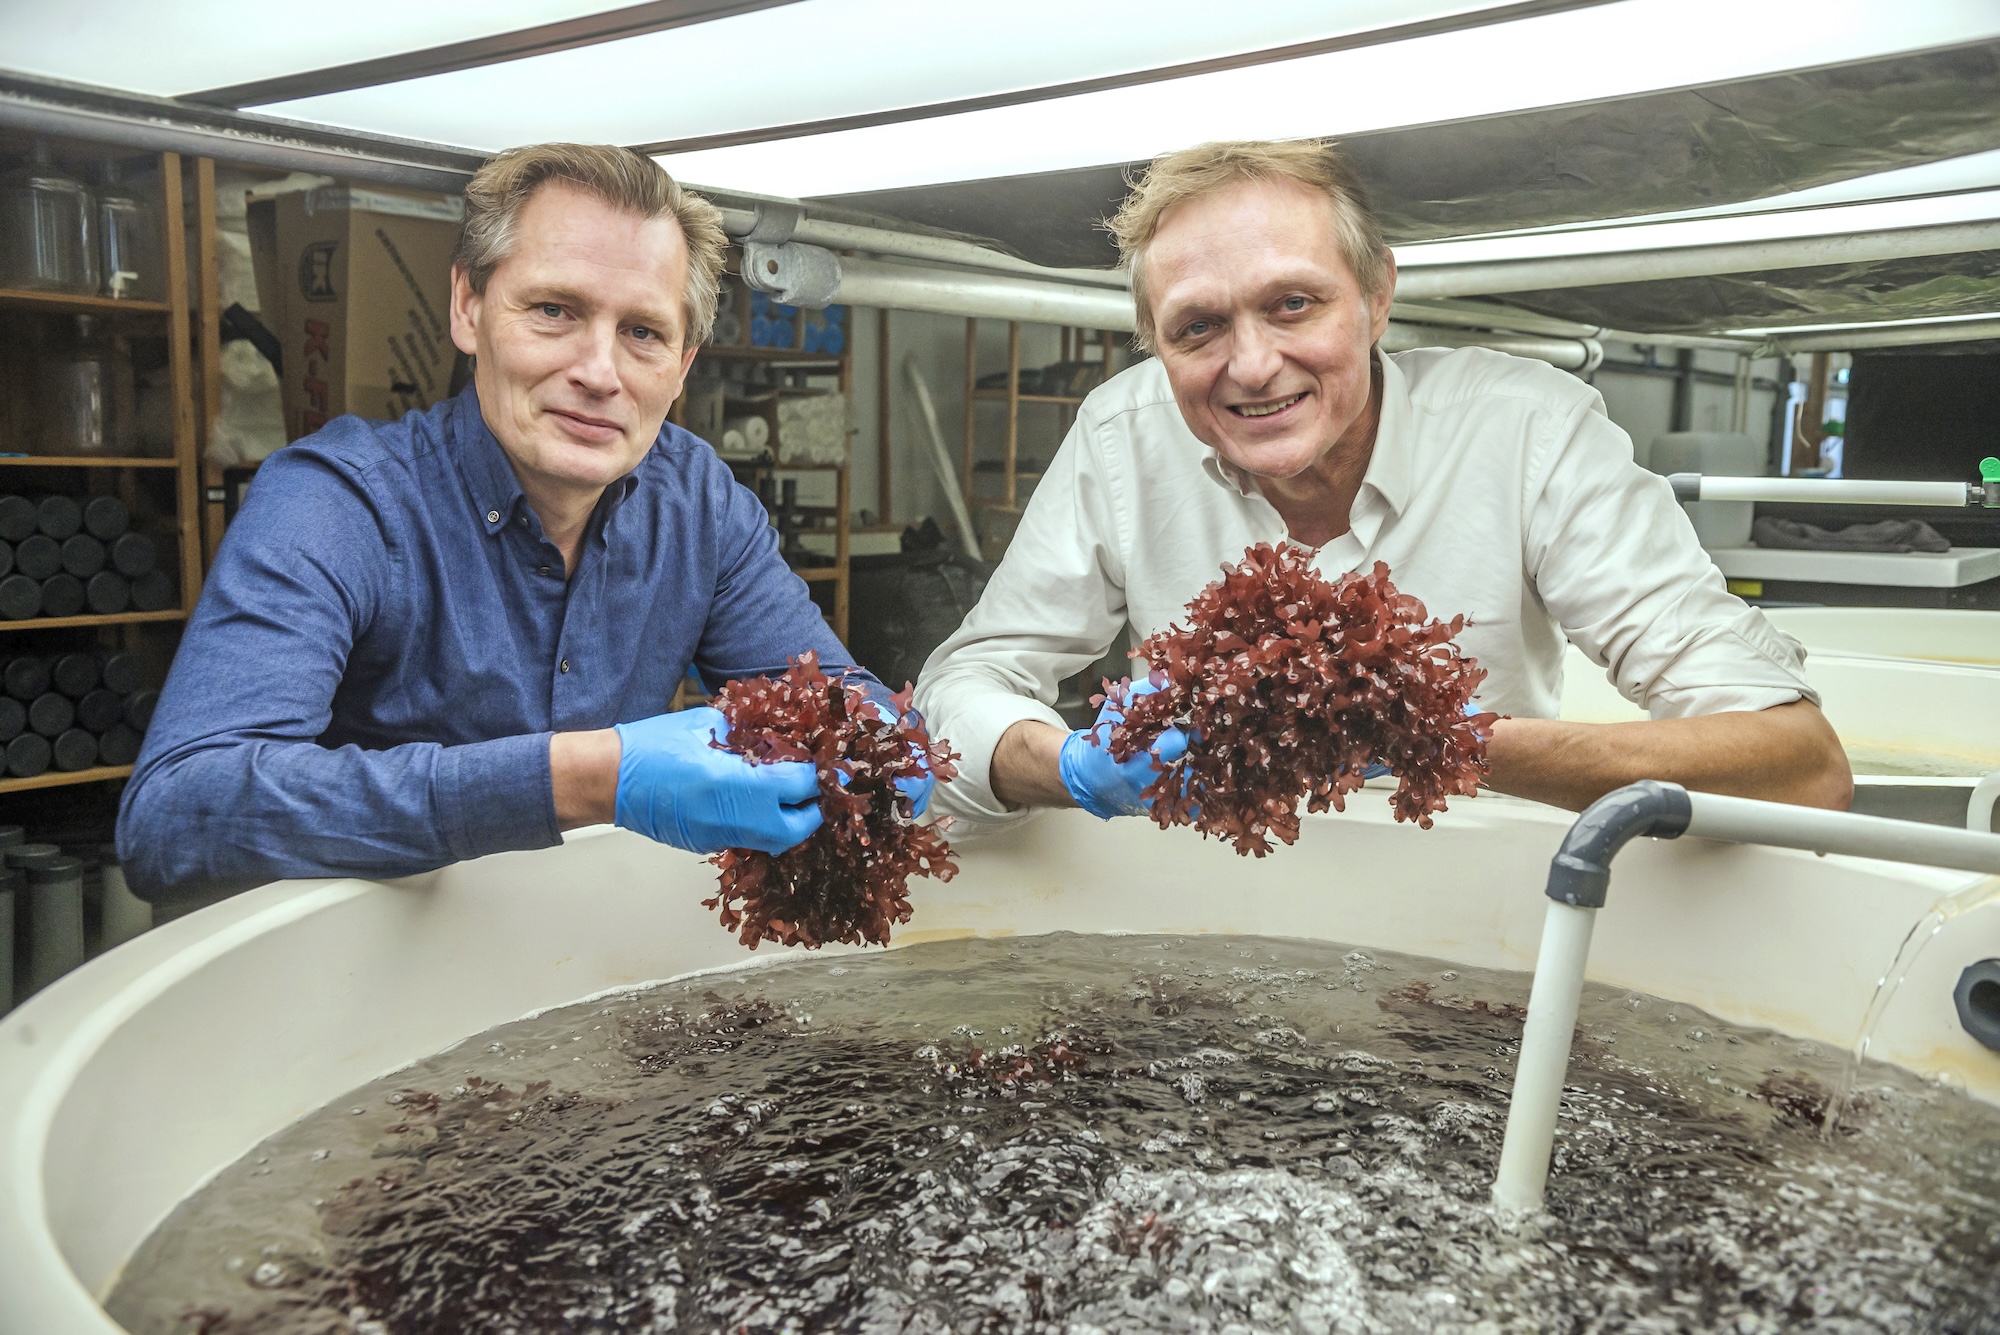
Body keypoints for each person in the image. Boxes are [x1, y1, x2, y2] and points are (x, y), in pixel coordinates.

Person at [915, 139, 1851, 834]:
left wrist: (1449, 742)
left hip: (1474, 924)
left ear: (1376, 297)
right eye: (1197, 327)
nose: (1251, 365)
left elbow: (1801, 766)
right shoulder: (1123, 437)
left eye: (1294, 303)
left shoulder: (1528, 431)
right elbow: (966, 684)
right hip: (1207, 928)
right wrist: (1068, 765)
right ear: (1156, 344)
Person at [118, 144, 920, 901]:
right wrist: (587, 777)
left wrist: (884, 741)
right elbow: (176, 811)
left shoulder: (697, 505)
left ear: (682, 366)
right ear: (469, 307)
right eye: (554, 310)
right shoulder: (341, 502)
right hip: (344, 1002)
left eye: (642, 332)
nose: (599, 372)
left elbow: (832, 699)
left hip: (570, 981)